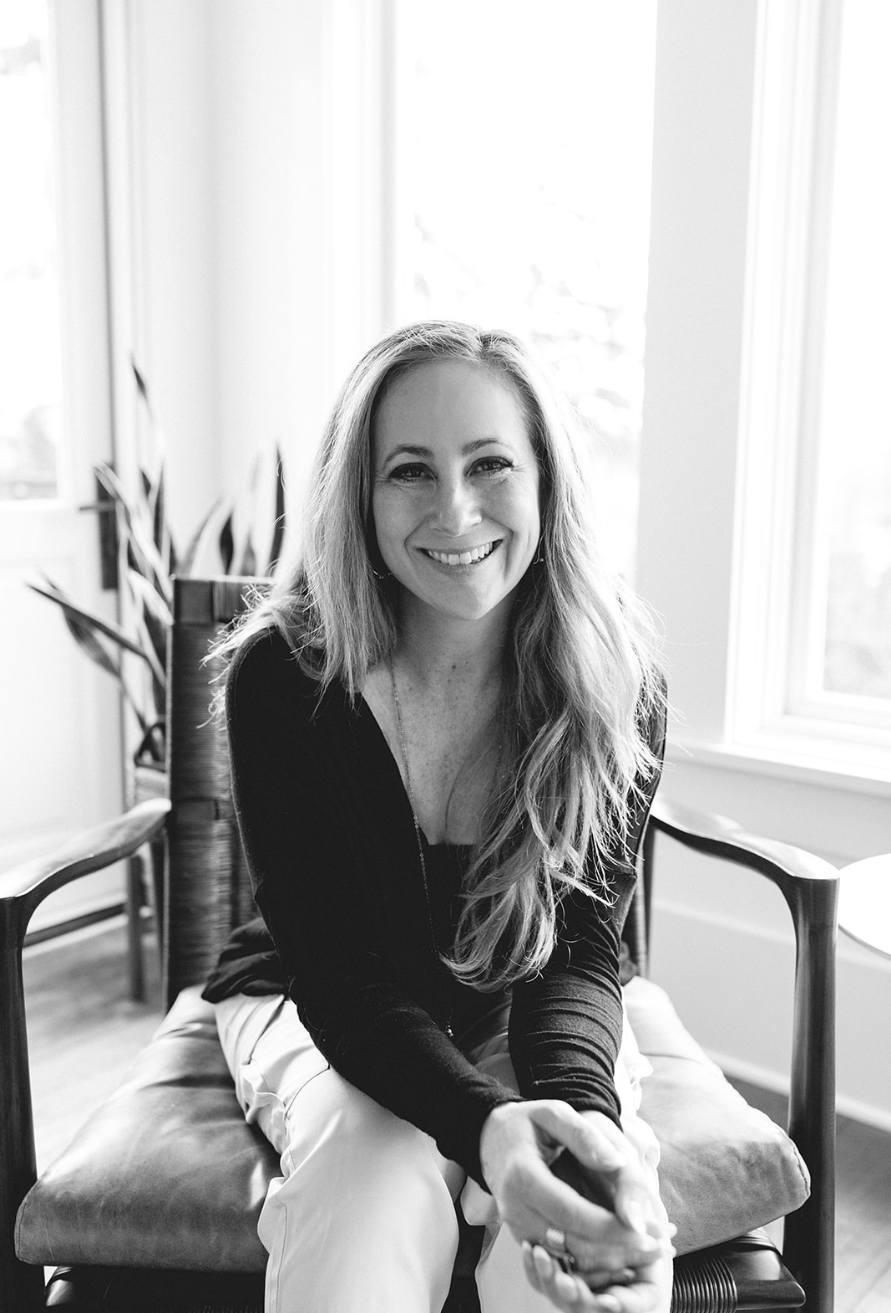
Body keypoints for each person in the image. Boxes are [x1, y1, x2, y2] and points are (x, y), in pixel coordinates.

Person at [202, 320, 674, 1313]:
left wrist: (582, 1124)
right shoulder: (287, 678)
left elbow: (582, 948)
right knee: (369, 1176)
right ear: (360, 499)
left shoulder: (617, 681)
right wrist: (480, 1122)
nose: (454, 509)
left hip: (521, 998)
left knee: (573, 1190)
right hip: (307, 991)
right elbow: (337, 970)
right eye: (409, 470)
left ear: (546, 478)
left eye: (491, 462)